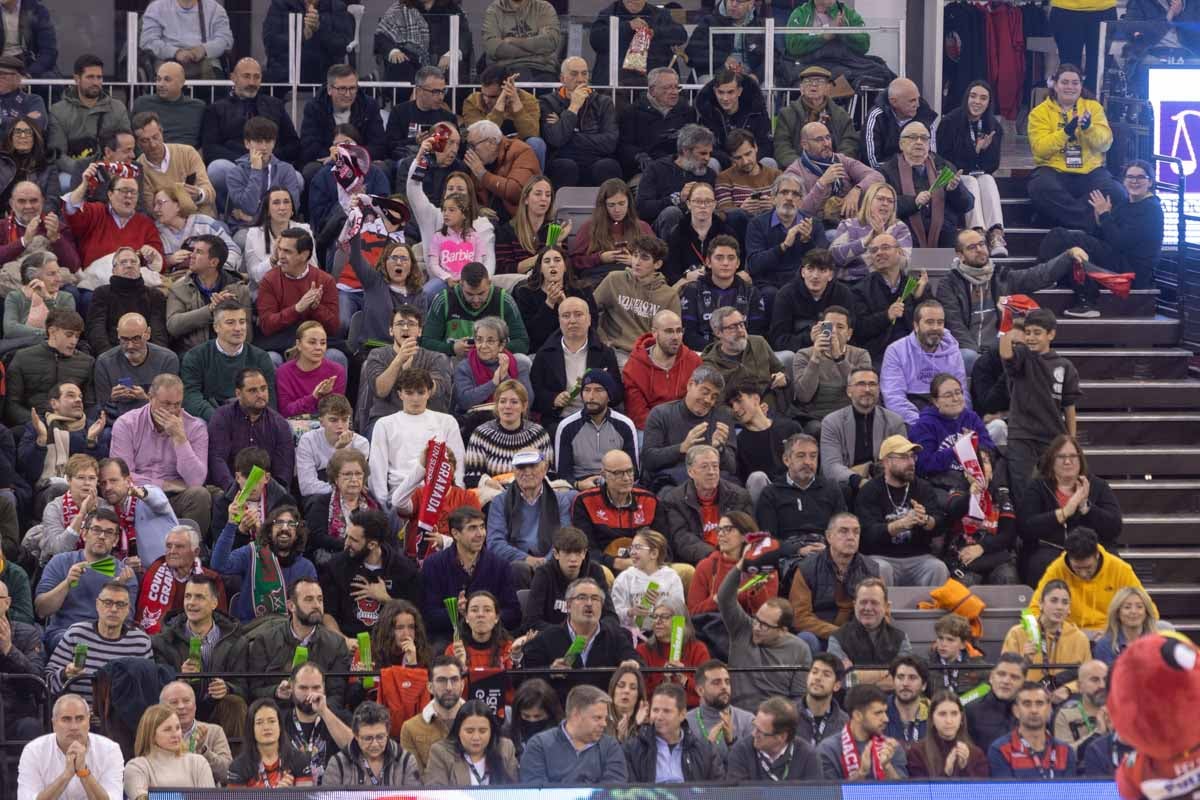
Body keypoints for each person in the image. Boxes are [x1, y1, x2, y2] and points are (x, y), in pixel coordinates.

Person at [937, 231, 1079, 369]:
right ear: (960, 255)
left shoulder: (1001, 276)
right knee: (968, 357)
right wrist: (979, 356)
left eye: (982, 244)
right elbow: (955, 325)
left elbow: (1038, 276)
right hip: (969, 349)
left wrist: (1068, 256)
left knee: (1020, 351)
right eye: (972, 247)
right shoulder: (949, 283)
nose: (980, 250)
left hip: (999, 345)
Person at [1039, 158, 1165, 295]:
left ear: (1150, 182)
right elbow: (1104, 235)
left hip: (1132, 268)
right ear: (1124, 181)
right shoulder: (1125, 204)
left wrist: (1105, 215)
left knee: (1061, 237)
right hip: (1118, 258)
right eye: (1130, 177)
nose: (1134, 181)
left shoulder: (1151, 208)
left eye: (1140, 177)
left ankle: (1043, 278)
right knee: (1062, 238)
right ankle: (1049, 278)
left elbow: (1120, 242)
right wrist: (1099, 219)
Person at [1027, 64, 1125, 230]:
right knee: (1039, 187)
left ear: (1081, 86)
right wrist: (1065, 132)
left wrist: (1089, 129)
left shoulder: (1093, 107)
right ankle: (1090, 223)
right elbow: (1040, 150)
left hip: (1090, 172)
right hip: (1055, 171)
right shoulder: (1039, 112)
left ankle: (1056, 218)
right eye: (1065, 82)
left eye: (1075, 83)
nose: (1070, 87)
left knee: (1117, 192)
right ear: (1055, 85)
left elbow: (1105, 144)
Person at [1019, 434, 1123, 584]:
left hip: (1091, 550)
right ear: (1051, 461)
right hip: (1049, 551)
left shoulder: (1098, 486)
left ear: (1080, 460)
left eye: (1073, 456)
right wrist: (1063, 513)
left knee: (1113, 562)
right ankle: (1032, 608)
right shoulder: (1037, 487)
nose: (1068, 461)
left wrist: (1085, 507)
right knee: (1037, 565)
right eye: (1061, 457)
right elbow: (1026, 528)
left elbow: (1114, 527)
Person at [152, 578, 244, 740]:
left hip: (218, 709)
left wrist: (228, 688)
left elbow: (245, 685)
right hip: (180, 708)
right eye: (188, 596)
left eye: (199, 597)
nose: (191, 603)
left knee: (235, 703)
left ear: (214, 603)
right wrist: (180, 679)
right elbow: (158, 687)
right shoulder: (164, 640)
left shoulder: (235, 640)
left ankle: (232, 764)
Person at [34, 509, 139, 650]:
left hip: (107, 636)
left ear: (115, 540)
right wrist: (67, 583)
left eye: (108, 532)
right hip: (65, 633)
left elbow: (125, 623)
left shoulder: (125, 574)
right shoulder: (60, 562)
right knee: (75, 641)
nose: (102, 536)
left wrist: (116, 593)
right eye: (96, 530)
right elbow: (42, 610)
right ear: (84, 534)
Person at [718, 552, 810, 708]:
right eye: (757, 620)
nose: (756, 627)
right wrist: (742, 564)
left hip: (776, 718)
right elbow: (724, 598)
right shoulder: (743, 629)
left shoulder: (800, 649)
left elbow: (798, 698)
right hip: (738, 715)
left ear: (783, 630)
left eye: (765, 625)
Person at [855, 434, 949, 585]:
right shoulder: (870, 491)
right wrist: (899, 525)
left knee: (938, 568)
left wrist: (925, 520)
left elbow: (940, 524)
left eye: (913, 457)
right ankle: (885, 609)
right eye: (904, 457)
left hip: (919, 557)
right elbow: (867, 534)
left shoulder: (923, 488)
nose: (911, 462)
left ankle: (929, 609)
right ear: (886, 462)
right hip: (881, 556)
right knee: (880, 568)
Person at [520, 576, 641, 691]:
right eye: (582, 597)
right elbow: (526, 674)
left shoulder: (617, 637)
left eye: (595, 598)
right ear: (568, 605)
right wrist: (550, 671)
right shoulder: (547, 637)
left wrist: (633, 665)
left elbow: (640, 664)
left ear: (602, 606)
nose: (589, 603)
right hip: (561, 708)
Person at [319, 508, 420, 644]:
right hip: (347, 642)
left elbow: (415, 618)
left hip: (390, 645)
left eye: (354, 540)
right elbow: (327, 614)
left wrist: (387, 600)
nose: (346, 543)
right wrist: (344, 641)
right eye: (347, 536)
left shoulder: (404, 570)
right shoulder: (336, 566)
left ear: (372, 544)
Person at [407, 139, 496, 292]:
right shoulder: (433, 216)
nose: (455, 192)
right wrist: (421, 157)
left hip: (473, 285)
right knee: (426, 293)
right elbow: (413, 189)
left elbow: (487, 262)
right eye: (450, 188)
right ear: (444, 195)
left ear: (470, 196)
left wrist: (474, 285)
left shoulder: (483, 225)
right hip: (440, 284)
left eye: (460, 189)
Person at [368, 366, 463, 509]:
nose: (415, 399)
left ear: (429, 393)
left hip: (440, 493)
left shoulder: (447, 421)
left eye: (421, 392)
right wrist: (383, 505)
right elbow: (377, 469)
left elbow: (458, 463)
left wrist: (456, 494)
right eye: (409, 393)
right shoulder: (384, 424)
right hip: (400, 495)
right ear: (400, 394)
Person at [421, 506, 522, 641]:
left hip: (490, 637)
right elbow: (428, 615)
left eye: (482, 527)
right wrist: (456, 613)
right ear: (455, 533)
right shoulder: (433, 565)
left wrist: (484, 619)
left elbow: (514, 613)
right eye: (472, 528)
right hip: (448, 638)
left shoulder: (500, 566)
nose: (480, 534)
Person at [45, 580, 153, 706]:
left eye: (121, 604)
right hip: (79, 717)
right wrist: (65, 674)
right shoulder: (76, 634)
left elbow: (149, 690)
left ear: (128, 609)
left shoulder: (141, 642)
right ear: (97, 604)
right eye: (108, 603)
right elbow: (47, 682)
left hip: (122, 719)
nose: (113, 609)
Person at [1029, 524, 1145, 638]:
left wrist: (1116, 632)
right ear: (1069, 558)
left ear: (1097, 555)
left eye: (1088, 568)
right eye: (1078, 568)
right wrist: (1053, 632)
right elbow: (1034, 610)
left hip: (1110, 635)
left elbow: (1147, 609)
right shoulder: (1056, 569)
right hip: (1068, 636)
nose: (1083, 574)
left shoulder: (1120, 569)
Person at [933, 81, 1007, 254]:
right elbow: (945, 161)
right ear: (966, 98)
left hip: (979, 175)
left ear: (989, 103)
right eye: (973, 96)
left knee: (987, 179)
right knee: (971, 182)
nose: (977, 102)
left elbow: (992, 166)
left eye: (983, 98)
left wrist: (985, 151)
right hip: (954, 177)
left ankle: (996, 234)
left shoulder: (994, 126)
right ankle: (978, 234)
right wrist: (975, 151)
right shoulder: (949, 122)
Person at [210, 504, 318, 622]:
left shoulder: (306, 568)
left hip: (289, 635)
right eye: (279, 523)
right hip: (251, 633)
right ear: (270, 531)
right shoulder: (251, 554)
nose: (285, 528)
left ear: (297, 534)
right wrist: (231, 523)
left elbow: (309, 609)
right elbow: (218, 565)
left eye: (291, 524)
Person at [788, 512, 881, 648]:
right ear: (829, 536)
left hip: (858, 636)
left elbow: (882, 611)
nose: (851, 537)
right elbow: (800, 617)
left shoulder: (871, 569)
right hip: (820, 636)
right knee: (805, 638)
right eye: (843, 531)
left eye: (856, 532)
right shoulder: (807, 569)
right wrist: (838, 633)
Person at [527, 295, 616, 432]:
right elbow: (535, 391)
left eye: (578, 315)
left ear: (589, 319)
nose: (572, 321)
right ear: (559, 321)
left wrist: (601, 392)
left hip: (597, 419)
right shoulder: (545, 354)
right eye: (566, 316)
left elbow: (618, 393)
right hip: (558, 421)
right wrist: (553, 399)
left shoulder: (605, 353)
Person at [484, 447, 570, 586]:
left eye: (533, 466)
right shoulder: (500, 501)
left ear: (545, 468)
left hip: (552, 561)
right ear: (514, 470)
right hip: (515, 566)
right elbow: (495, 543)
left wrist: (546, 561)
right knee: (519, 569)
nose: (527, 471)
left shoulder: (560, 500)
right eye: (521, 467)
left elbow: (565, 538)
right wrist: (527, 559)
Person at [180, 299, 276, 422]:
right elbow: (191, 397)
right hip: (212, 419)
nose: (238, 328)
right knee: (198, 423)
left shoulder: (260, 358)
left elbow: (269, 399)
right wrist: (219, 418)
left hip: (251, 419)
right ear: (216, 327)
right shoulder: (196, 356)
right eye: (230, 323)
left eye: (242, 322)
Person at [880, 121, 974, 249]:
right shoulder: (887, 171)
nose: (919, 142)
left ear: (929, 144)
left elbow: (968, 205)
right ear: (901, 144)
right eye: (913, 137)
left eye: (924, 138)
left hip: (945, 239)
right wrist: (914, 202)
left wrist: (955, 190)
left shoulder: (943, 166)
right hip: (905, 239)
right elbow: (882, 207)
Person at [755, 433, 847, 559]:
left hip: (827, 551)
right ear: (786, 460)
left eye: (813, 456)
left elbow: (843, 530)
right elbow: (767, 540)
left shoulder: (831, 489)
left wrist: (830, 547)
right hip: (790, 555)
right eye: (801, 456)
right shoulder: (771, 493)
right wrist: (798, 550)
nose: (808, 462)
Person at [16, 694, 124, 800]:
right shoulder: (33, 751)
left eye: (80, 719)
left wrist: (84, 773)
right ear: (54, 724)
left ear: (89, 722)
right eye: (66, 719)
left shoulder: (110, 750)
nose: (74, 727)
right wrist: (66, 775)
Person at [745, 172, 827, 311]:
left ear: (801, 201)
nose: (789, 198)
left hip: (803, 282)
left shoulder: (814, 225)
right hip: (769, 283)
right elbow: (754, 265)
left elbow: (824, 263)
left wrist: (807, 242)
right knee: (770, 295)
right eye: (784, 192)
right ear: (774, 198)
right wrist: (783, 246)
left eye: (795, 194)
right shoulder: (757, 224)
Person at [201, 57, 301, 170]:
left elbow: (293, 144)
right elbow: (210, 148)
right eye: (246, 76)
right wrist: (246, 161)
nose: (252, 82)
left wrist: (269, 158)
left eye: (256, 77)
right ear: (233, 78)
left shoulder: (275, 105)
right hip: (234, 166)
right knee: (217, 168)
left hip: (270, 165)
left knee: (297, 179)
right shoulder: (216, 109)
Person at [361, 306, 452, 429]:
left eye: (411, 324)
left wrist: (411, 372)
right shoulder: (377, 354)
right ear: (391, 330)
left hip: (425, 422)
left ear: (420, 331)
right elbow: (381, 391)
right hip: (385, 421)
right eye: (399, 324)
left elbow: (437, 391)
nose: (405, 328)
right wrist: (399, 360)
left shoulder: (436, 358)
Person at [661, 445, 753, 566]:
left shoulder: (739, 495)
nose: (711, 472)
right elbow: (682, 540)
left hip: (733, 557)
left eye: (715, 466)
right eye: (704, 467)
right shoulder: (674, 500)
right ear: (690, 471)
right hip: (696, 561)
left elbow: (747, 532)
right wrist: (715, 556)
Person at [255, 228, 340, 359]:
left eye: (287, 251)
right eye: (280, 249)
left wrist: (315, 308)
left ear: (304, 255)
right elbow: (266, 325)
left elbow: (334, 328)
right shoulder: (269, 279)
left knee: (336, 356)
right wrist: (296, 309)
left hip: (315, 343)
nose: (281, 256)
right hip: (280, 343)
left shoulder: (325, 280)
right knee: (271, 358)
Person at [594, 234, 681, 362]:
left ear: (657, 264)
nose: (637, 262)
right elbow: (588, 311)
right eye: (635, 255)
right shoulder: (614, 279)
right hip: (616, 351)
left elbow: (673, 334)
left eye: (644, 258)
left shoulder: (669, 295)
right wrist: (601, 338)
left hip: (650, 355)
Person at [1001, 580, 1091, 702]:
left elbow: (1089, 677)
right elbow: (1005, 676)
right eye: (1053, 601)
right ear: (1041, 604)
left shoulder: (1080, 638)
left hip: (1065, 700)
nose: (1059, 607)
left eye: (1064, 603)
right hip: (1026, 698)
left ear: (1069, 609)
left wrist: (1068, 689)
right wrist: (1025, 660)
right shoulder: (1018, 633)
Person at [880, 300, 966, 426]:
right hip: (911, 419)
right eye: (929, 322)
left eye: (940, 322)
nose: (935, 328)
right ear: (916, 325)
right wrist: (924, 424)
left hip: (947, 415)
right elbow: (893, 398)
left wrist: (960, 421)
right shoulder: (896, 351)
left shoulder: (953, 351)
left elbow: (963, 393)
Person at [519, 683, 629, 782]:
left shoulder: (610, 747)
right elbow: (536, 792)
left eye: (605, 718)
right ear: (576, 715)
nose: (604, 724)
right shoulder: (539, 746)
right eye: (597, 718)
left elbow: (612, 792)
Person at [540, 58, 623, 189]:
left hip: (596, 158)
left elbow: (609, 143)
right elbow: (555, 139)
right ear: (562, 79)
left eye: (584, 73)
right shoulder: (548, 102)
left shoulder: (603, 102)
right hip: (563, 158)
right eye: (574, 74)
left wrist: (570, 134)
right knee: (565, 167)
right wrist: (573, 107)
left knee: (608, 166)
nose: (580, 79)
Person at [62, 164, 163, 271]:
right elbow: (71, 208)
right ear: (110, 194)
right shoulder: (95, 212)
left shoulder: (146, 224)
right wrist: (85, 184)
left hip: (132, 282)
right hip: (95, 281)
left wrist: (152, 256)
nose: (129, 195)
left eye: (133, 192)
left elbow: (159, 263)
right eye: (123, 190)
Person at [785, 121, 883, 230]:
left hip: (850, 221)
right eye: (819, 140)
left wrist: (857, 190)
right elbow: (797, 211)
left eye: (828, 138)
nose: (826, 143)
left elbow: (877, 176)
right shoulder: (794, 172)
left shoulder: (841, 160)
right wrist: (821, 184)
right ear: (805, 145)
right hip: (817, 228)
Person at [206, 367, 293, 490]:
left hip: (266, 492)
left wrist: (267, 495)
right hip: (227, 489)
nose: (260, 395)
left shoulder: (279, 424)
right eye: (253, 391)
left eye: (263, 389)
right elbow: (217, 460)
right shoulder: (222, 417)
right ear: (238, 394)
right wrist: (234, 490)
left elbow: (283, 471)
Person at [48, 55, 132, 179]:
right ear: (77, 79)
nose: (96, 82)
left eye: (99, 77)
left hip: (112, 169)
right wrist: (84, 170)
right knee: (64, 182)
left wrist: (107, 168)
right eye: (90, 77)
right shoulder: (58, 111)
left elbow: (127, 146)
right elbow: (58, 154)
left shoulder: (118, 108)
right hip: (74, 171)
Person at [421, 262, 530, 357]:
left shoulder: (504, 300)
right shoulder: (443, 300)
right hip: (455, 360)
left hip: (495, 360)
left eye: (481, 293)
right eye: (470, 294)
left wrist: (494, 349)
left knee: (522, 360)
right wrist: (452, 348)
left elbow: (522, 343)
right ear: (461, 284)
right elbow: (426, 342)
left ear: (489, 283)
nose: (476, 299)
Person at [133, 524, 227, 633]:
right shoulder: (153, 572)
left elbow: (221, 620)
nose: (172, 551)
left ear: (195, 552)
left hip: (196, 639)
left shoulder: (211, 579)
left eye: (179, 546)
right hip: (159, 640)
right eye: (169, 546)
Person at [792, 305, 872, 433]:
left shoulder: (861, 355)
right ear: (819, 329)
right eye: (828, 327)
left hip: (849, 415)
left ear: (849, 334)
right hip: (816, 418)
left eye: (840, 327)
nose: (833, 331)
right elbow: (804, 396)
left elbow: (862, 389)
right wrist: (815, 358)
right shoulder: (803, 355)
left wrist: (839, 358)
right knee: (818, 429)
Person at [521, 526, 617, 632]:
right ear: (556, 554)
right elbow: (531, 621)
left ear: (584, 553)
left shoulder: (595, 571)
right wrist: (568, 633)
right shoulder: (544, 573)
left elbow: (610, 617)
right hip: (553, 638)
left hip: (589, 636)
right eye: (567, 553)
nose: (573, 559)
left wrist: (592, 632)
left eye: (578, 553)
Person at [164, 236, 251, 353]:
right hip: (191, 354)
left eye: (198, 252)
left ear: (213, 262)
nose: (192, 255)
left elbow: (247, 334)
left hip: (230, 353)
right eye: (193, 251)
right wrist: (210, 310)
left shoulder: (239, 290)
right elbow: (173, 326)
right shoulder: (179, 288)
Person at [680, 236, 767, 352]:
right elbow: (689, 335)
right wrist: (719, 351)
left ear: (738, 263)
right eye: (719, 258)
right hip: (703, 354)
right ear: (708, 262)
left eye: (731, 258)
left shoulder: (751, 293)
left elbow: (756, 334)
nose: (725, 263)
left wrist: (732, 351)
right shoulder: (692, 291)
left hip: (742, 353)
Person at [624, 682, 725, 782]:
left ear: (682, 714)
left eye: (666, 711)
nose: (659, 717)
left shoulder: (705, 751)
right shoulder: (632, 749)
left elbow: (717, 791)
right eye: (655, 710)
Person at [553, 370, 637, 490]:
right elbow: (563, 474)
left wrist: (611, 482)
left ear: (609, 395)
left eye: (598, 390)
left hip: (617, 484)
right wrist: (579, 485)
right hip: (579, 486)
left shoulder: (625, 425)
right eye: (587, 390)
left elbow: (634, 471)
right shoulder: (566, 426)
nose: (591, 396)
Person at [767, 243, 856, 355]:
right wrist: (809, 337)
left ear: (831, 275)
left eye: (822, 270)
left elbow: (851, 333)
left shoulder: (843, 294)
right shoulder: (786, 294)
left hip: (835, 351)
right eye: (810, 269)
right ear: (803, 272)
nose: (815, 276)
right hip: (798, 353)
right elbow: (778, 340)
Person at [909, 373, 995, 486]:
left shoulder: (971, 417)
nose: (955, 399)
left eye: (958, 393)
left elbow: (989, 446)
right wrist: (958, 449)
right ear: (935, 401)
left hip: (974, 474)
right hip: (943, 481)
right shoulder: (924, 425)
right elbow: (924, 465)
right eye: (948, 395)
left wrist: (980, 453)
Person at [298, 65, 386, 175]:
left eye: (352, 88)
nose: (348, 94)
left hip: (361, 160)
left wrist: (351, 155)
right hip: (328, 160)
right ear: (329, 89)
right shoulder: (314, 107)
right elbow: (309, 145)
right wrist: (335, 156)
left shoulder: (369, 105)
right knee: (311, 170)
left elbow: (378, 144)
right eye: (342, 89)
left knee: (382, 168)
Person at [622, 310, 702, 431]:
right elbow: (637, 414)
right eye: (669, 331)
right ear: (654, 333)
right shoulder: (634, 366)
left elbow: (699, 402)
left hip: (687, 427)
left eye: (679, 331)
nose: (675, 337)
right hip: (650, 429)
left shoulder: (693, 361)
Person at [636, 124, 718, 240]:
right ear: (685, 151)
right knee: (672, 213)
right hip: (660, 232)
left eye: (710, 153)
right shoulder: (657, 169)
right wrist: (677, 199)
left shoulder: (709, 174)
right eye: (703, 153)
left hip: (698, 226)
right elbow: (642, 209)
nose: (708, 158)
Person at [223, 117, 304, 233]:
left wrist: (252, 218)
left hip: (279, 226)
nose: (264, 147)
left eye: (268, 141)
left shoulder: (286, 170)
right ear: (247, 143)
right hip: (246, 229)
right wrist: (256, 170)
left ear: (274, 143)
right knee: (242, 240)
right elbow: (249, 207)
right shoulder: (235, 173)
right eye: (259, 141)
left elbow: (291, 208)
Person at [827, 578, 913, 686]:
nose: (868, 608)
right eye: (863, 602)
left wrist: (857, 675)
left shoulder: (900, 638)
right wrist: (887, 674)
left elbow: (903, 681)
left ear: (886, 606)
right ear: (854, 605)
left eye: (874, 603)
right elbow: (844, 681)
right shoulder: (837, 638)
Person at [84, 247, 168, 355]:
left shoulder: (155, 295)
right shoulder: (101, 293)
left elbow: (158, 331)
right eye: (123, 262)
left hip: (147, 355)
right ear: (114, 270)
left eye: (133, 262)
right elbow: (96, 330)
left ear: (139, 268)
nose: (129, 265)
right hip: (111, 353)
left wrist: (155, 357)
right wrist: (108, 356)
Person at [279, 661, 354, 783]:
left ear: (324, 687)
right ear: (291, 686)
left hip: (332, 792)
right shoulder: (279, 721)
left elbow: (355, 749)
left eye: (316, 687)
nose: (310, 694)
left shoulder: (340, 717)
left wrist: (324, 712)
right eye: (303, 688)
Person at [617, 67, 698, 179]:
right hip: (645, 169)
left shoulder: (686, 111)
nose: (674, 92)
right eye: (667, 88)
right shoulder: (632, 112)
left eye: (676, 87)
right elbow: (624, 145)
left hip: (680, 167)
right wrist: (638, 156)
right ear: (652, 90)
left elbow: (694, 142)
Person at [515, 248, 598, 356]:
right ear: (540, 268)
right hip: (541, 352)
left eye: (557, 260)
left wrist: (565, 305)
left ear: (565, 267)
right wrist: (549, 303)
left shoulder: (582, 291)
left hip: (578, 349)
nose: (552, 265)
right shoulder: (526, 293)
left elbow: (591, 327)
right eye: (547, 261)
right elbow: (531, 335)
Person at [569, 178, 651, 286]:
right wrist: (600, 258)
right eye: (611, 205)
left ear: (629, 203)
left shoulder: (642, 227)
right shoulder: (589, 227)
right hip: (598, 279)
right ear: (603, 206)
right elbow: (575, 263)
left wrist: (634, 261)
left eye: (622, 203)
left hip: (632, 280)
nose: (617, 210)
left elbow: (656, 260)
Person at [775, 65, 861, 168]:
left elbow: (850, 144)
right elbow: (782, 147)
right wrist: (802, 166)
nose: (813, 85)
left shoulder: (840, 115)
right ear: (801, 87)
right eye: (808, 81)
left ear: (828, 88)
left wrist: (836, 164)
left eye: (819, 81)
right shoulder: (787, 114)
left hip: (835, 168)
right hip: (799, 170)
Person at [123, 704, 216, 798]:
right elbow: (141, 797)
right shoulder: (136, 767)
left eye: (178, 728)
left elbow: (209, 798)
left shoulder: (198, 762)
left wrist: (156, 797)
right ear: (151, 735)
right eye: (167, 729)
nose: (175, 734)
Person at [818, 684, 908, 779]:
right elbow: (830, 793)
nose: (886, 719)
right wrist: (861, 773)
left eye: (885, 712)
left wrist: (887, 766)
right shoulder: (829, 750)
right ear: (857, 716)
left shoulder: (891, 747)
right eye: (878, 713)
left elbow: (904, 792)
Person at [987, 682, 1077, 777]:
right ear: (1016, 711)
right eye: (1027, 704)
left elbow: (1068, 791)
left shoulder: (1065, 750)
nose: (1034, 710)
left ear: (1049, 709)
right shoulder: (1001, 749)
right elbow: (1007, 791)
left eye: (1039, 703)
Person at [589, 0, 685, 86]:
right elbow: (596, 40)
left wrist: (655, 32)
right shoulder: (609, 13)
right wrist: (628, 26)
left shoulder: (660, 15)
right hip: (616, 84)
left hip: (653, 85)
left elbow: (680, 35)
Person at [323, 701, 421, 785]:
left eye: (380, 737)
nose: (375, 744)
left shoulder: (406, 761)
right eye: (368, 738)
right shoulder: (337, 763)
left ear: (387, 733)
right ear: (356, 736)